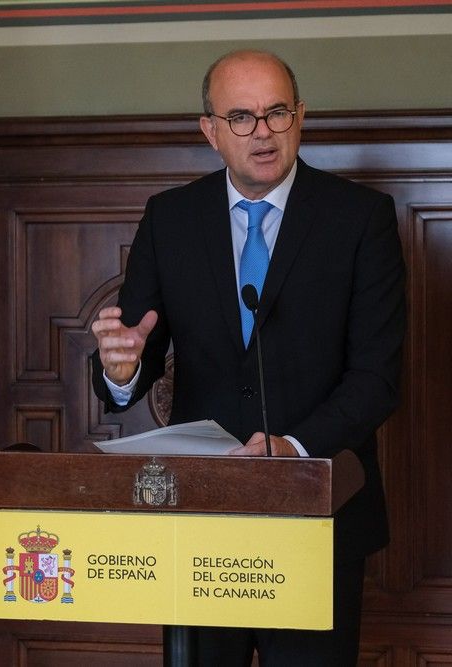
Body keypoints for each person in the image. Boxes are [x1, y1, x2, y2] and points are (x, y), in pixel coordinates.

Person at [91, 50, 406, 666]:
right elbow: (135, 351)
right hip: (202, 518)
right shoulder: (170, 219)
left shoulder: (360, 218)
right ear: (209, 130)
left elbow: (377, 379)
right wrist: (120, 370)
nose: (262, 131)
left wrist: (290, 447)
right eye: (240, 117)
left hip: (320, 514)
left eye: (276, 113)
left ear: (301, 117)